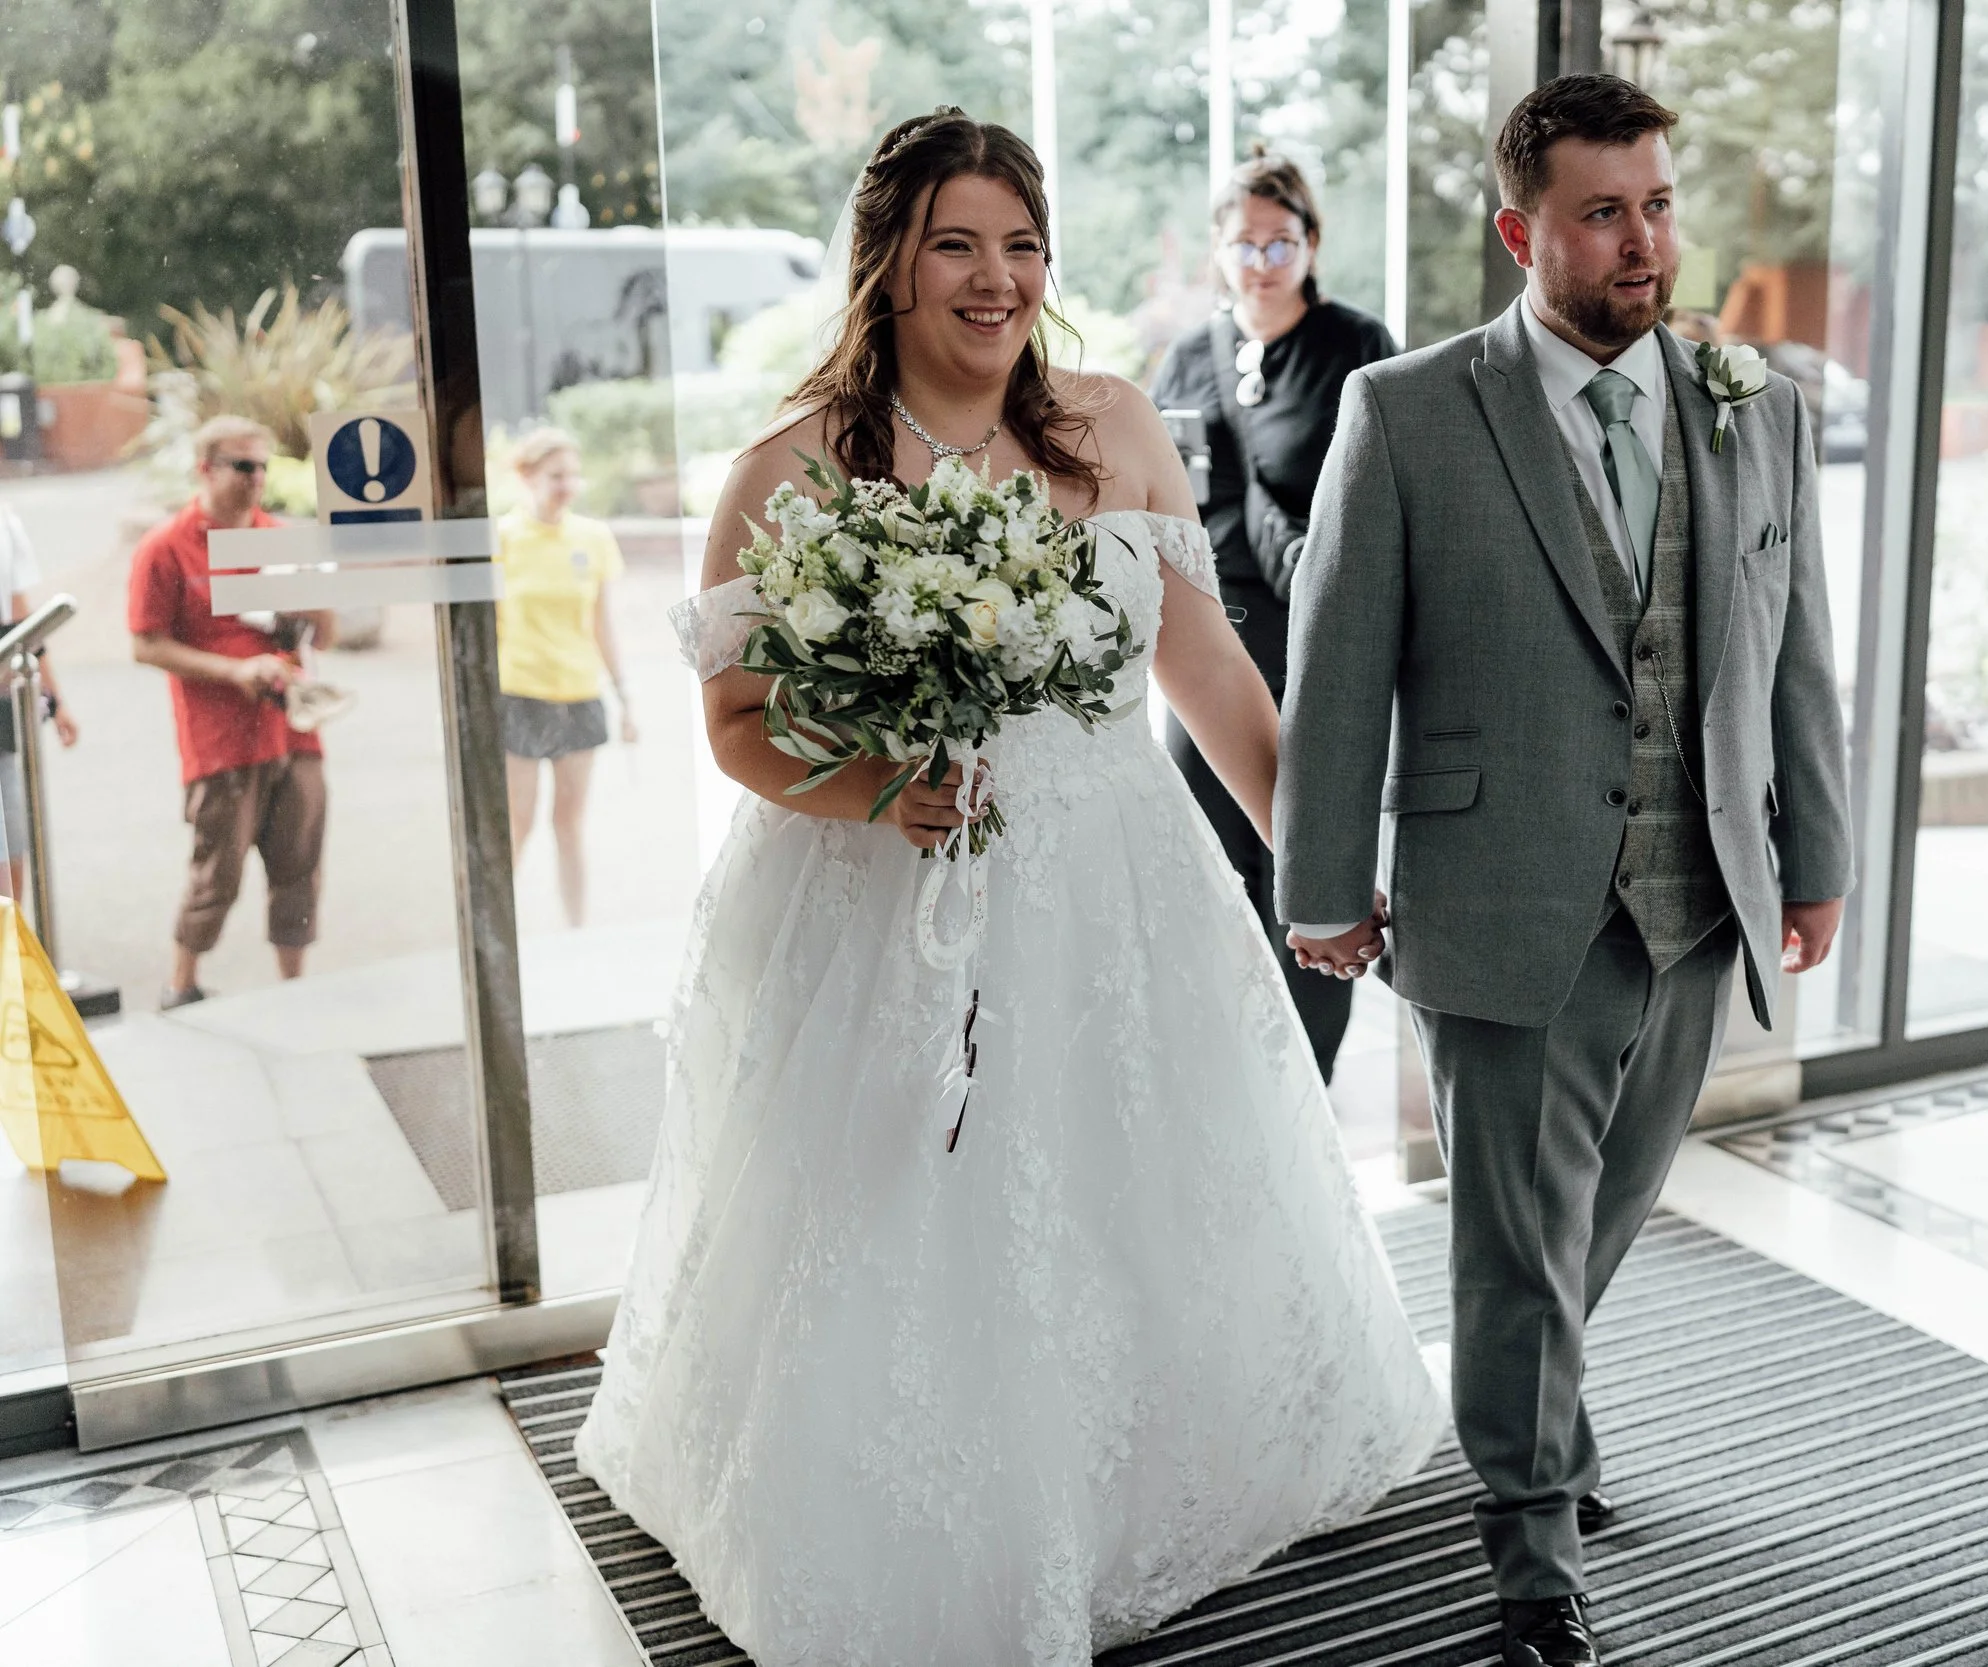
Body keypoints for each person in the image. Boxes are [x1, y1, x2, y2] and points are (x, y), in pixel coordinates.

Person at [571, 110, 1440, 1665]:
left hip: (1122, 889)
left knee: (1132, 1188)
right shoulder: (798, 462)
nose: (997, 278)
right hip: (884, 897)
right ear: (888, 262)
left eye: (1023, 245)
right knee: (905, 1213)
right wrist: (879, 788)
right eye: (957, 244)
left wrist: (1325, 879)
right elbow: (735, 722)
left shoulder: (1111, 424)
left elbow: (1215, 678)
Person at [1277, 75, 1853, 1667]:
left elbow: (1797, 650)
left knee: (1598, 1221)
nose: (1641, 240)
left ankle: (1532, 1423)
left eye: (1658, 203)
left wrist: (1818, 856)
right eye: (1603, 212)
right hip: (1501, 887)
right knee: (1516, 1245)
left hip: (1698, 890)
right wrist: (1322, 884)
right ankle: (1530, 1548)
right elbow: (1335, 671)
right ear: (1522, 228)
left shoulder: (1758, 403)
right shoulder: (1407, 410)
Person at [1148, 146, 1398, 1081]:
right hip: (1204, 643)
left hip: (1312, 639)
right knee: (1210, 861)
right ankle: (1223, 1077)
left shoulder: (1356, 347)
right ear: (1219, 249)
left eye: (1279, 242)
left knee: (1307, 861)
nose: (1260, 261)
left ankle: (1303, 1082)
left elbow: (1378, 503)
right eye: (1243, 243)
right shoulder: (1185, 357)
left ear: (1311, 243)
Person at [128, 415, 335, 1010]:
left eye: (264, 465)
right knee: (216, 875)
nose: (257, 477)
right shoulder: (167, 546)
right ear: (206, 468)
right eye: (243, 465)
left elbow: (325, 634)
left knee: (299, 867)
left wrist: (319, 598)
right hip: (220, 740)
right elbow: (145, 643)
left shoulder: (279, 538)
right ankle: (180, 986)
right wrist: (235, 672)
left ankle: (294, 991)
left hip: (294, 729)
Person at [495, 427, 636, 927]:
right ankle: (499, 928)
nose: (567, 485)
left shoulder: (593, 537)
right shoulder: (502, 538)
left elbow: (602, 624)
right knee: (519, 823)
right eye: (556, 475)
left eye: (573, 475)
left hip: (579, 693)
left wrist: (624, 699)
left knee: (570, 824)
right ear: (526, 476)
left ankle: (577, 930)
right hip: (521, 694)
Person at [0, 503, 80, 903]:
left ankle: (12, 950)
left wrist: (54, 697)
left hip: (2, 707)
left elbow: (21, 620)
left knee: (12, 835)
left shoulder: (4, 520)